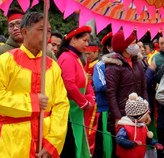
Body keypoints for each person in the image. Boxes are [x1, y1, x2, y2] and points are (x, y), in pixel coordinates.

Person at [0, 11, 69, 157]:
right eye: (41, 30)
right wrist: (32, 102)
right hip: (12, 141)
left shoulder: (53, 66)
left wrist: (52, 144)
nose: (46, 35)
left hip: (44, 140)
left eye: (48, 31)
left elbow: (61, 105)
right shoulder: (5, 61)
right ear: (25, 32)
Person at [57, 26, 96, 158]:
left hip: (78, 108)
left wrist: (90, 97)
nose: (87, 44)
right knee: (72, 145)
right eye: (84, 40)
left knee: (79, 142)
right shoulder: (67, 58)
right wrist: (84, 103)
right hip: (70, 110)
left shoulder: (76, 58)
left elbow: (86, 81)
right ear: (73, 39)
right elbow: (69, 85)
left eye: (87, 41)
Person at [105, 30, 148, 143]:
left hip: (140, 113)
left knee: (139, 147)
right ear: (125, 46)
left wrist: (146, 111)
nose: (136, 46)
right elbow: (111, 93)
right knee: (124, 147)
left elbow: (144, 88)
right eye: (133, 43)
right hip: (123, 115)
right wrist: (117, 117)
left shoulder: (138, 62)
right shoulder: (113, 66)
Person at [115, 93, 162, 157]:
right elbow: (119, 139)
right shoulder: (125, 127)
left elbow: (147, 139)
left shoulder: (142, 125)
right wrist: (132, 144)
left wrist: (155, 143)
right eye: (146, 114)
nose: (148, 116)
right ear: (140, 116)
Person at [92, 41, 113, 158]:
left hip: (123, 109)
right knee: (106, 142)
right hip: (105, 108)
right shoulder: (100, 65)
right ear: (109, 48)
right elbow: (100, 86)